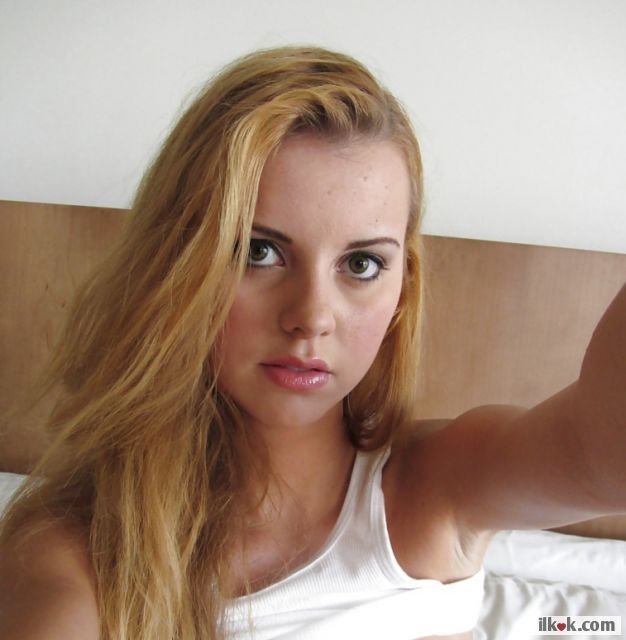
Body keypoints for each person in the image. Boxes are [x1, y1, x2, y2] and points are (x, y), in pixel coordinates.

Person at [0, 44, 624, 640]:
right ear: (175, 263)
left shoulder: (435, 487)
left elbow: (602, 454)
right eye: (258, 252)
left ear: (402, 288)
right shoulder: (76, 547)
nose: (312, 317)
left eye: (361, 264)